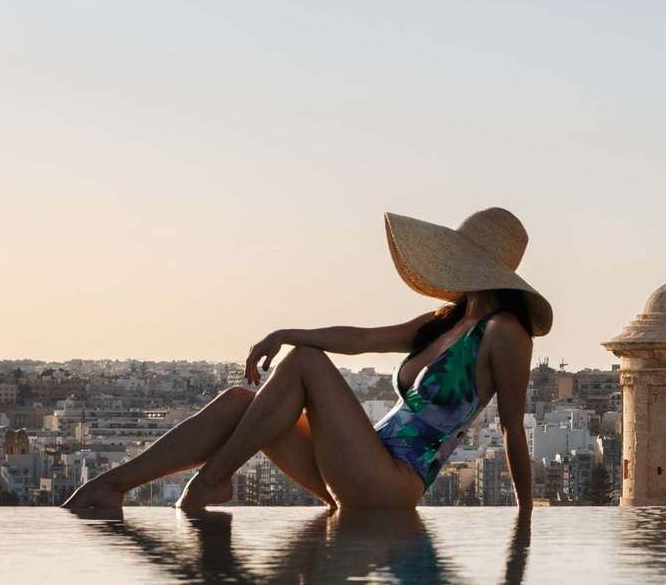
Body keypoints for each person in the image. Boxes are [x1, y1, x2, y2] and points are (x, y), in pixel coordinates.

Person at [63, 207, 552, 514]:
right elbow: (361, 338)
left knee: (306, 364)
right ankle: (111, 487)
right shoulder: (446, 320)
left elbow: (511, 425)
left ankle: (211, 482)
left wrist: (524, 512)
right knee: (238, 401)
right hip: (362, 464)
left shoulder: (505, 333)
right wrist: (283, 331)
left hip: (392, 483)